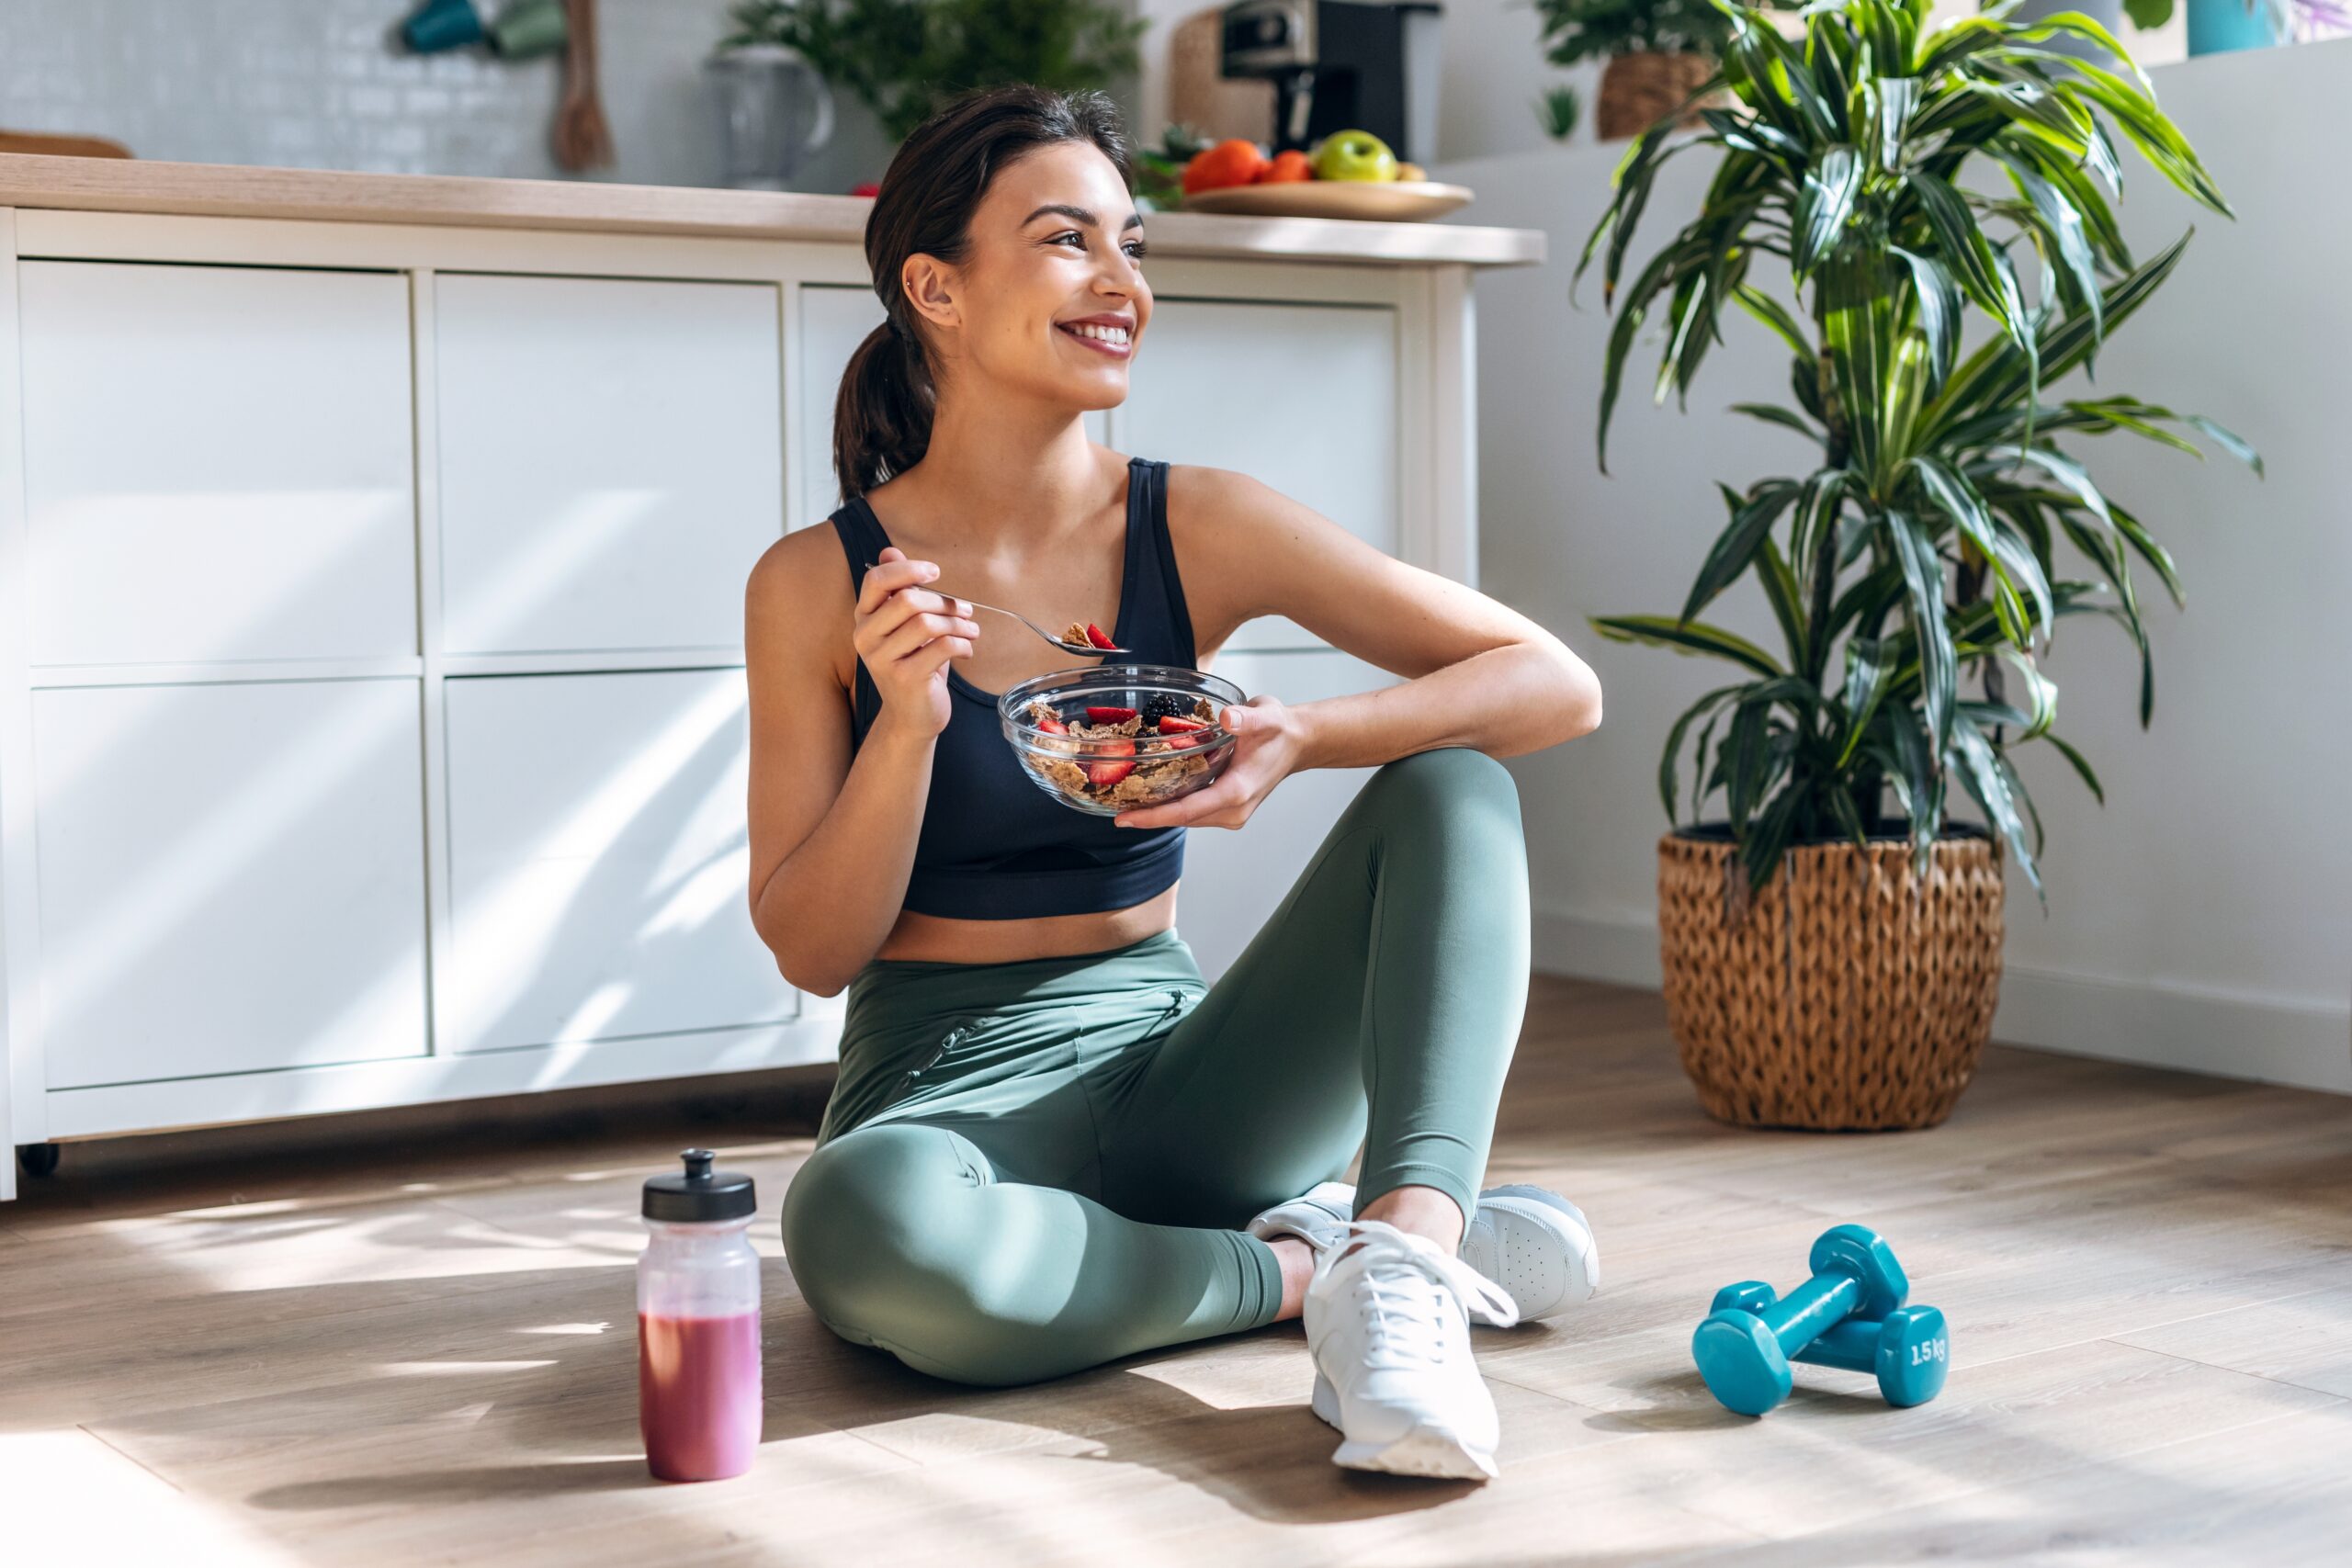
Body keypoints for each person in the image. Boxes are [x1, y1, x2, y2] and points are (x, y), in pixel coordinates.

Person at [745, 85, 1603, 1482]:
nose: (1123, 283)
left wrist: (1307, 735)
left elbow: (1555, 684)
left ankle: (1407, 1264)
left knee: (1453, 782)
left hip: (1192, 1083)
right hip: (939, 1098)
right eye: (1068, 240)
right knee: (863, 1228)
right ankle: (1296, 1264)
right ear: (936, 288)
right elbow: (813, 947)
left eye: (1132, 244)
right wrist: (903, 725)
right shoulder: (815, 583)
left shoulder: (1194, 522)